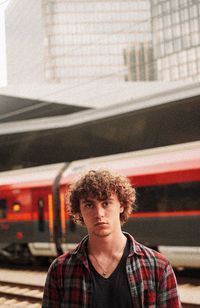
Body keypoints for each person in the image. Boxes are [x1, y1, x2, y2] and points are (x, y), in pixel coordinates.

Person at [42, 169, 181, 308]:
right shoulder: (60, 270)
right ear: (79, 211)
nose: (99, 214)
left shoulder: (158, 266)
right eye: (89, 205)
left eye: (106, 203)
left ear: (121, 205)